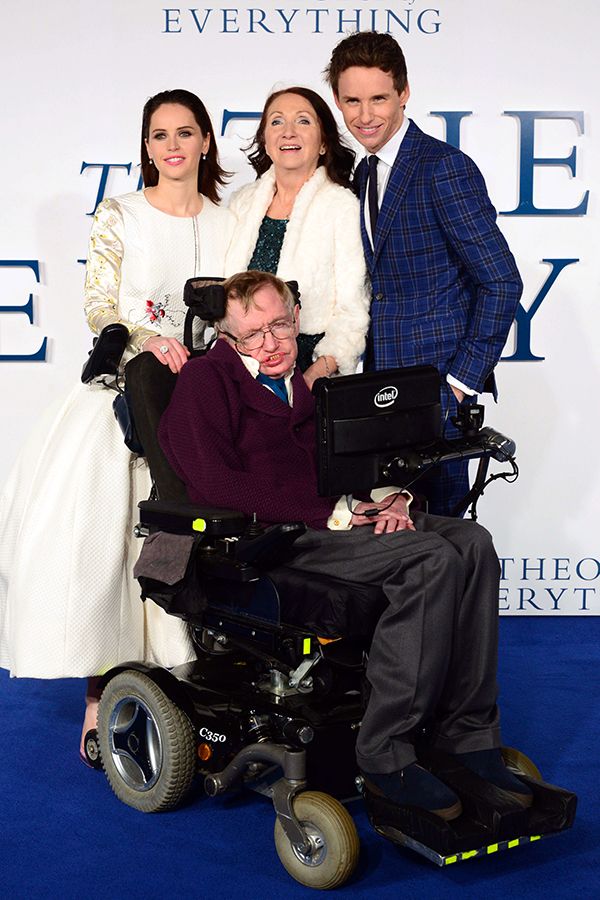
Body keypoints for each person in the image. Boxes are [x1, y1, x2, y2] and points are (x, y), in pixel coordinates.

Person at [159, 270, 532, 820]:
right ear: (226, 336)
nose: (271, 344)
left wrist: (392, 496)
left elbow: (347, 465)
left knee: (472, 542)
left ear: (297, 322)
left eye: (281, 326)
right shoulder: (205, 383)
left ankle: (468, 735)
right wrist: (334, 512)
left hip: (334, 519)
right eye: (254, 334)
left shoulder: (303, 387)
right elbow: (215, 484)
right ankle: (384, 754)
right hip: (276, 539)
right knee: (430, 560)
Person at [0, 89, 235, 756]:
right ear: (146, 146)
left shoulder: (229, 221)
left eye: (185, 133)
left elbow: (245, 306)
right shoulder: (120, 214)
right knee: (105, 540)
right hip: (130, 385)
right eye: (158, 135)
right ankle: (101, 695)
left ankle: (193, 674)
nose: (172, 146)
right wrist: (146, 339)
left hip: (208, 398)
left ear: (205, 142)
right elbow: (99, 301)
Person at [324, 32, 523, 516]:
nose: (364, 115)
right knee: (385, 553)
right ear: (337, 100)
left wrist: (459, 383)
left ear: (404, 93)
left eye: (378, 98)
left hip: (437, 399)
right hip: (376, 395)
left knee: (442, 546)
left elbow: (501, 281)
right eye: (352, 100)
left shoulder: (442, 168)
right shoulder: (358, 173)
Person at [225, 87, 370, 389]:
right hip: (242, 366)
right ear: (265, 141)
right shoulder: (241, 204)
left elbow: (353, 310)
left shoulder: (342, 206)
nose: (288, 132)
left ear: (323, 143)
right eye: (277, 122)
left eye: (303, 121)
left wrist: (314, 377)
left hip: (309, 368)